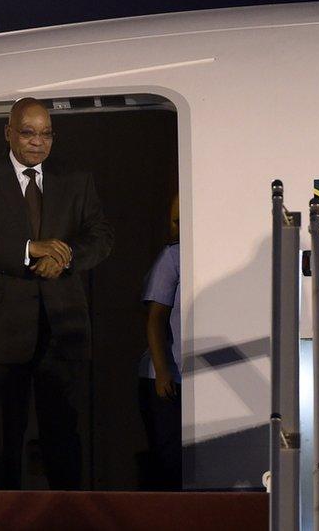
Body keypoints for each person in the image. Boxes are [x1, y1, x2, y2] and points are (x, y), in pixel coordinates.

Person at [0, 97, 113, 490]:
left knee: (63, 438)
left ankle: (69, 518)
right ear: (8, 133)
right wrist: (30, 249)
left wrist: (66, 256)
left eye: (45, 134)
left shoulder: (76, 179)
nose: (37, 142)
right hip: (2, 334)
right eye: (28, 133)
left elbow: (102, 237)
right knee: (4, 444)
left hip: (62, 331)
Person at [137, 194, 181, 490]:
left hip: (195, 377)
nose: (177, 228)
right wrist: (163, 370)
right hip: (166, 377)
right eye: (174, 221)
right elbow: (155, 319)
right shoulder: (173, 256)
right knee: (167, 459)